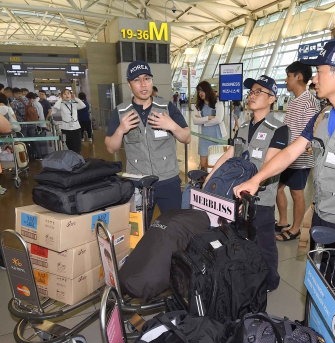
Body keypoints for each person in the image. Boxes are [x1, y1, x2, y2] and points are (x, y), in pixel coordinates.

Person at [233, 42, 335, 295]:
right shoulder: (321, 116)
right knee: (319, 286)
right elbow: (291, 152)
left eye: (320, 72)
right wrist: (258, 179)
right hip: (321, 216)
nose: (314, 80)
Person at [206, 74, 290, 292]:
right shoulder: (243, 126)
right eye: (251, 92)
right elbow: (229, 155)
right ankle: (247, 277)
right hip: (236, 194)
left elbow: (270, 165)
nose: (252, 96)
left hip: (260, 198)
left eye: (258, 92)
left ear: (272, 98)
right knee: (239, 238)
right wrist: (210, 177)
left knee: (264, 242)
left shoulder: (279, 129)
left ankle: (271, 281)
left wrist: (249, 192)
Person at [105, 61, 190, 225]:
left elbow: (186, 137)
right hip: (137, 183)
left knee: (174, 227)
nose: (143, 84)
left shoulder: (167, 107)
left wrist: (172, 126)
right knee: (138, 232)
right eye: (137, 80)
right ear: (129, 84)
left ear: (152, 81)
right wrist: (121, 129)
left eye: (147, 78)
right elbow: (111, 147)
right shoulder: (121, 112)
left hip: (168, 181)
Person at [275, 61, 320, 241]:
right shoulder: (294, 101)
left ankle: (295, 229)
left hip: (299, 157)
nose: (286, 80)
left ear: (298, 76)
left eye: (288, 76)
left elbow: (307, 135)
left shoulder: (309, 103)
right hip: (287, 155)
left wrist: (289, 150)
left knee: (297, 192)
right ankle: (283, 222)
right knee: (278, 189)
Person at [193, 81, 225, 171]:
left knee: (217, 163)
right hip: (204, 138)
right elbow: (195, 121)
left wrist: (202, 121)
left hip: (217, 137)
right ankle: (204, 183)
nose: (200, 93)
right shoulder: (198, 106)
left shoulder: (218, 104)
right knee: (203, 164)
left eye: (202, 91)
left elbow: (218, 119)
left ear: (207, 90)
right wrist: (208, 117)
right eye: (199, 91)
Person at [53, 89, 85, 154]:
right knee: (69, 147)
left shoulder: (74, 104)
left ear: (71, 95)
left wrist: (75, 98)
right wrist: (60, 99)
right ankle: (71, 162)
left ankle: (78, 161)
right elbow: (55, 108)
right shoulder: (61, 104)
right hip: (66, 128)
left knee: (77, 147)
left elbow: (83, 105)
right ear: (62, 96)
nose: (67, 95)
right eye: (64, 94)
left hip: (76, 128)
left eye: (68, 93)